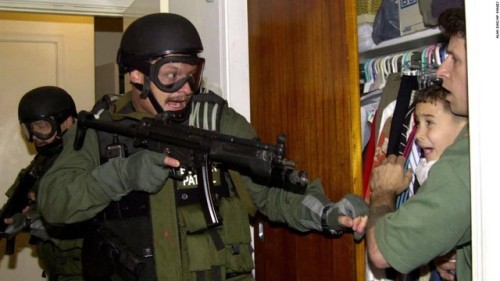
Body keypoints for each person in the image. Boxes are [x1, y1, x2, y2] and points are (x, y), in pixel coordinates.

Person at [37, 13, 368, 281]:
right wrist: (120, 176)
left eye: (191, 75)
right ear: (137, 75)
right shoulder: (100, 130)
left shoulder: (215, 122)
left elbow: (269, 194)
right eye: (171, 75)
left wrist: (327, 214)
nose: (184, 88)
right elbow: (54, 205)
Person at [365, 7, 471, 281]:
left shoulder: (465, 162)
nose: (441, 70)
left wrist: (383, 192)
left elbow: (380, 252)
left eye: (455, 60)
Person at [1, 86, 83, 280]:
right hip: (59, 271)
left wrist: (37, 222)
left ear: (68, 121)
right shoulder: (43, 160)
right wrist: (20, 220)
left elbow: (81, 215)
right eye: (30, 128)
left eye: (42, 126)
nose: (35, 136)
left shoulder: (83, 159)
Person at [412, 84, 468, 281]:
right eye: (418, 123)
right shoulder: (424, 170)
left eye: (429, 123)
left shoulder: (462, 178)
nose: (418, 134)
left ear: (461, 127)